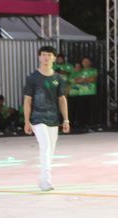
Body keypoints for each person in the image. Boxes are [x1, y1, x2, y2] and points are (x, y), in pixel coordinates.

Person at [22, 45, 70, 191]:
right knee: (46, 147)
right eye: (43, 54)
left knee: (50, 151)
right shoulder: (33, 78)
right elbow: (27, 100)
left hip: (53, 119)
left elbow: (62, 99)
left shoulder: (58, 78)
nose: (46, 57)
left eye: (49, 55)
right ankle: (46, 181)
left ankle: (43, 179)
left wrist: (66, 119)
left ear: (54, 58)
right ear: (39, 57)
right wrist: (26, 121)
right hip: (38, 118)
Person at [71, 57, 100, 132]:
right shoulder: (79, 70)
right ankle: (84, 125)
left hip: (91, 93)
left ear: (90, 62)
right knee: (83, 110)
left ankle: (93, 124)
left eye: (87, 61)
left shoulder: (93, 70)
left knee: (92, 110)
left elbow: (93, 79)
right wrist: (87, 79)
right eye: (84, 61)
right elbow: (76, 80)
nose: (85, 63)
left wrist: (83, 79)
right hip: (81, 93)